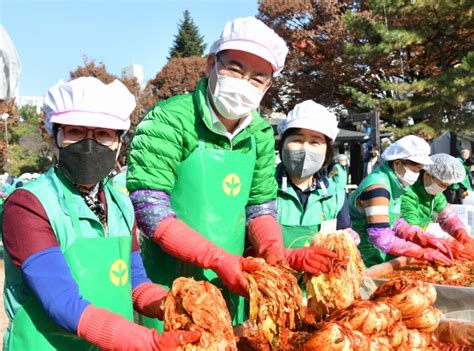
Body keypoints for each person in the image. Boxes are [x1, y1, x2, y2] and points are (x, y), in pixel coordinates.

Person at [127, 17, 335, 328]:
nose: (244, 83)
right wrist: (218, 259)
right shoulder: (170, 120)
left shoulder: (261, 134)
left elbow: (260, 206)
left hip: (235, 281)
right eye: (235, 70)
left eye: (257, 78)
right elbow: (150, 211)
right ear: (211, 64)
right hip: (170, 281)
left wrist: (274, 252)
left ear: (267, 85)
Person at [2, 77, 199, 350]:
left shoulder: (120, 205)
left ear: (119, 143)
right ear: (54, 137)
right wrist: (147, 341)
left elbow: (135, 282)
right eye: (75, 131)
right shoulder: (28, 205)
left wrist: (173, 305)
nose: (90, 145)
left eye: (104, 134)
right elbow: (61, 301)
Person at [349, 135, 454, 267]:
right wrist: (422, 252)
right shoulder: (378, 188)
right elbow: (381, 237)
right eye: (415, 170)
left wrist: (422, 237)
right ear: (397, 163)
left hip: (379, 254)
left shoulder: (395, 185)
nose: (417, 175)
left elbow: (395, 222)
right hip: (365, 257)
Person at [275, 100, 360, 251]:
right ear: (282, 145)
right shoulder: (263, 189)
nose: (305, 148)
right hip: (272, 273)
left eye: (315, 142)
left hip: (319, 274)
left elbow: (342, 229)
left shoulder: (335, 194)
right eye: (297, 140)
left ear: (327, 151)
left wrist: (348, 236)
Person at [401, 153, 473, 257]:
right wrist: (433, 241)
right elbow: (411, 228)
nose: (443, 189)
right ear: (427, 175)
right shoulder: (408, 193)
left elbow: (447, 216)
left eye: (446, 186)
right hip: (397, 247)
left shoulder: (435, 194)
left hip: (416, 244)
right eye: (442, 185)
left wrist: (460, 232)